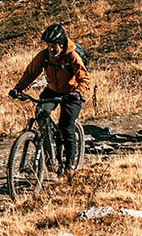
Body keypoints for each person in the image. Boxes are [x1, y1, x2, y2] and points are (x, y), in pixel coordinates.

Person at [9, 24, 90, 170]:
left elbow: (84, 78)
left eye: (54, 46)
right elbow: (30, 73)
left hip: (71, 93)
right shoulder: (45, 56)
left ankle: (69, 168)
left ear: (62, 43)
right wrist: (18, 89)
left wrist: (78, 92)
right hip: (52, 90)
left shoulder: (72, 56)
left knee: (66, 128)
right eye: (49, 45)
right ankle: (51, 152)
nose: (51, 49)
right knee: (41, 114)